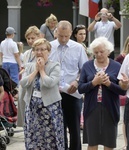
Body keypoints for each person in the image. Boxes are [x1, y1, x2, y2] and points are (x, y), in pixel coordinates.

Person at [78, 37, 126, 150]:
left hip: (110, 108)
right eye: (96, 52)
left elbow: (123, 90)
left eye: (101, 52)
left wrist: (109, 84)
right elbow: (80, 88)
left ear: (108, 51)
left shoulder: (117, 66)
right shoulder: (87, 66)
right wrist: (93, 83)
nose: (99, 54)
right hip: (91, 108)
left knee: (109, 143)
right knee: (92, 142)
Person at [49, 20, 88, 150]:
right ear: (56, 33)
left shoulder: (78, 48)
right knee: (58, 127)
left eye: (66, 36)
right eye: (61, 36)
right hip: (54, 92)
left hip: (72, 92)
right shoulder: (50, 47)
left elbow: (85, 70)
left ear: (71, 33)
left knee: (75, 128)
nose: (64, 39)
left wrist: (77, 81)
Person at [20, 38, 64, 149]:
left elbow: (50, 83)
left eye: (42, 49)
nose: (39, 52)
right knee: (33, 136)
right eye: (36, 49)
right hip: (32, 108)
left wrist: (42, 70)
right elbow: (23, 83)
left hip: (50, 108)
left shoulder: (55, 66)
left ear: (48, 51)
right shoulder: (29, 65)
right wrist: (36, 70)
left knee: (51, 137)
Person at [17, 26, 41, 127]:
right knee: (22, 106)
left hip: (34, 83)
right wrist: (22, 71)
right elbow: (25, 66)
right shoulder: (27, 53)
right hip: (25, 83)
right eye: (28, 38)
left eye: (33, 38)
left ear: (38, 37)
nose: (30, 41)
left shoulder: (40, 51)